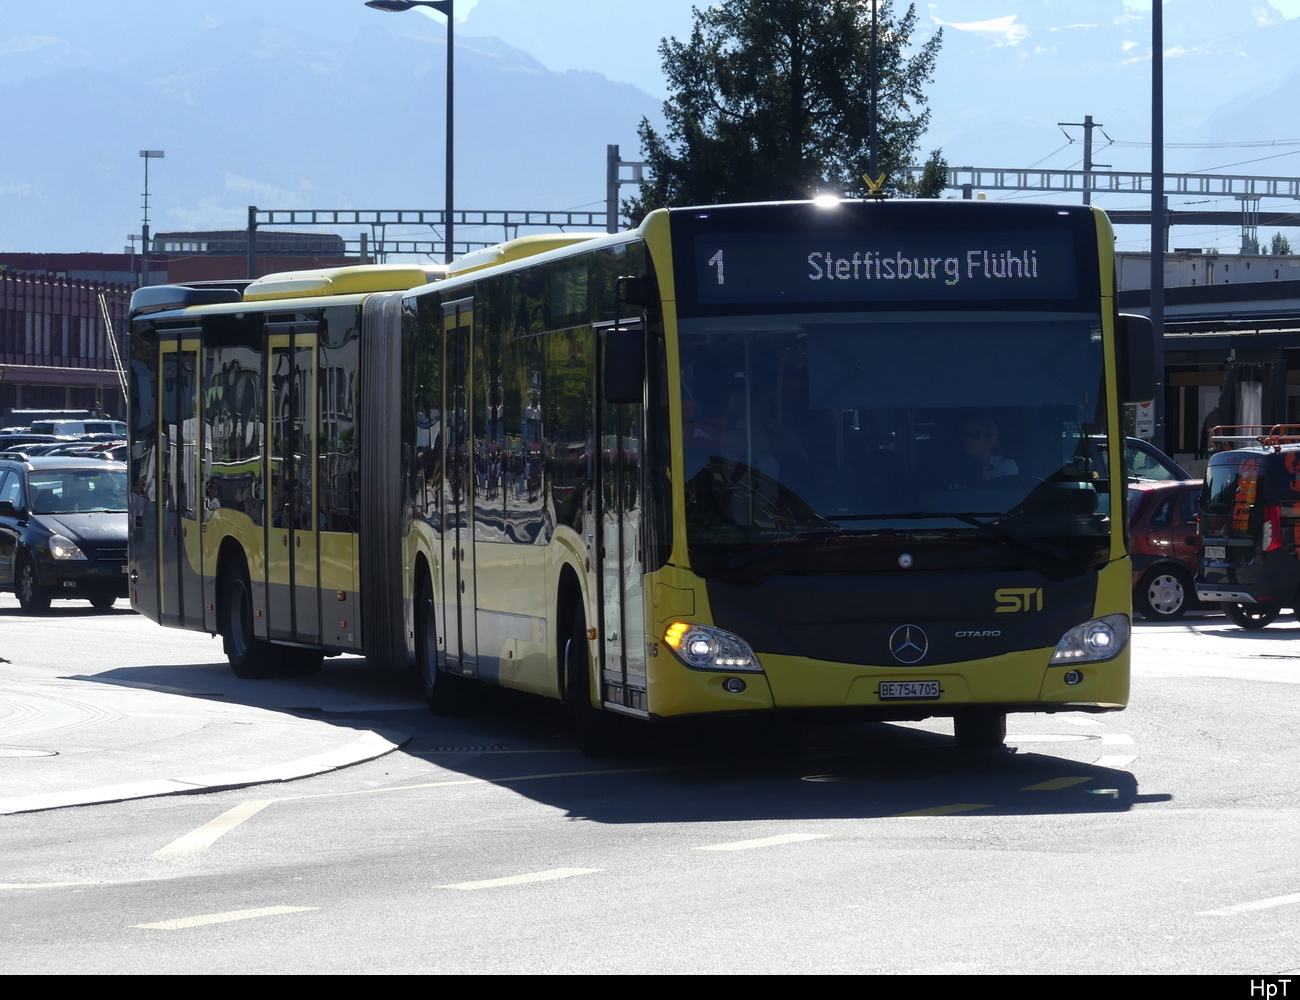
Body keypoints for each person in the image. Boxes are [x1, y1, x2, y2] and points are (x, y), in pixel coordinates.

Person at [964, 416, 1018, 481]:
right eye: (966, 435)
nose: (968, 439)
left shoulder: (1005, 466)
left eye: (976, 434)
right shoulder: (958, 467)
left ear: (992, 439)